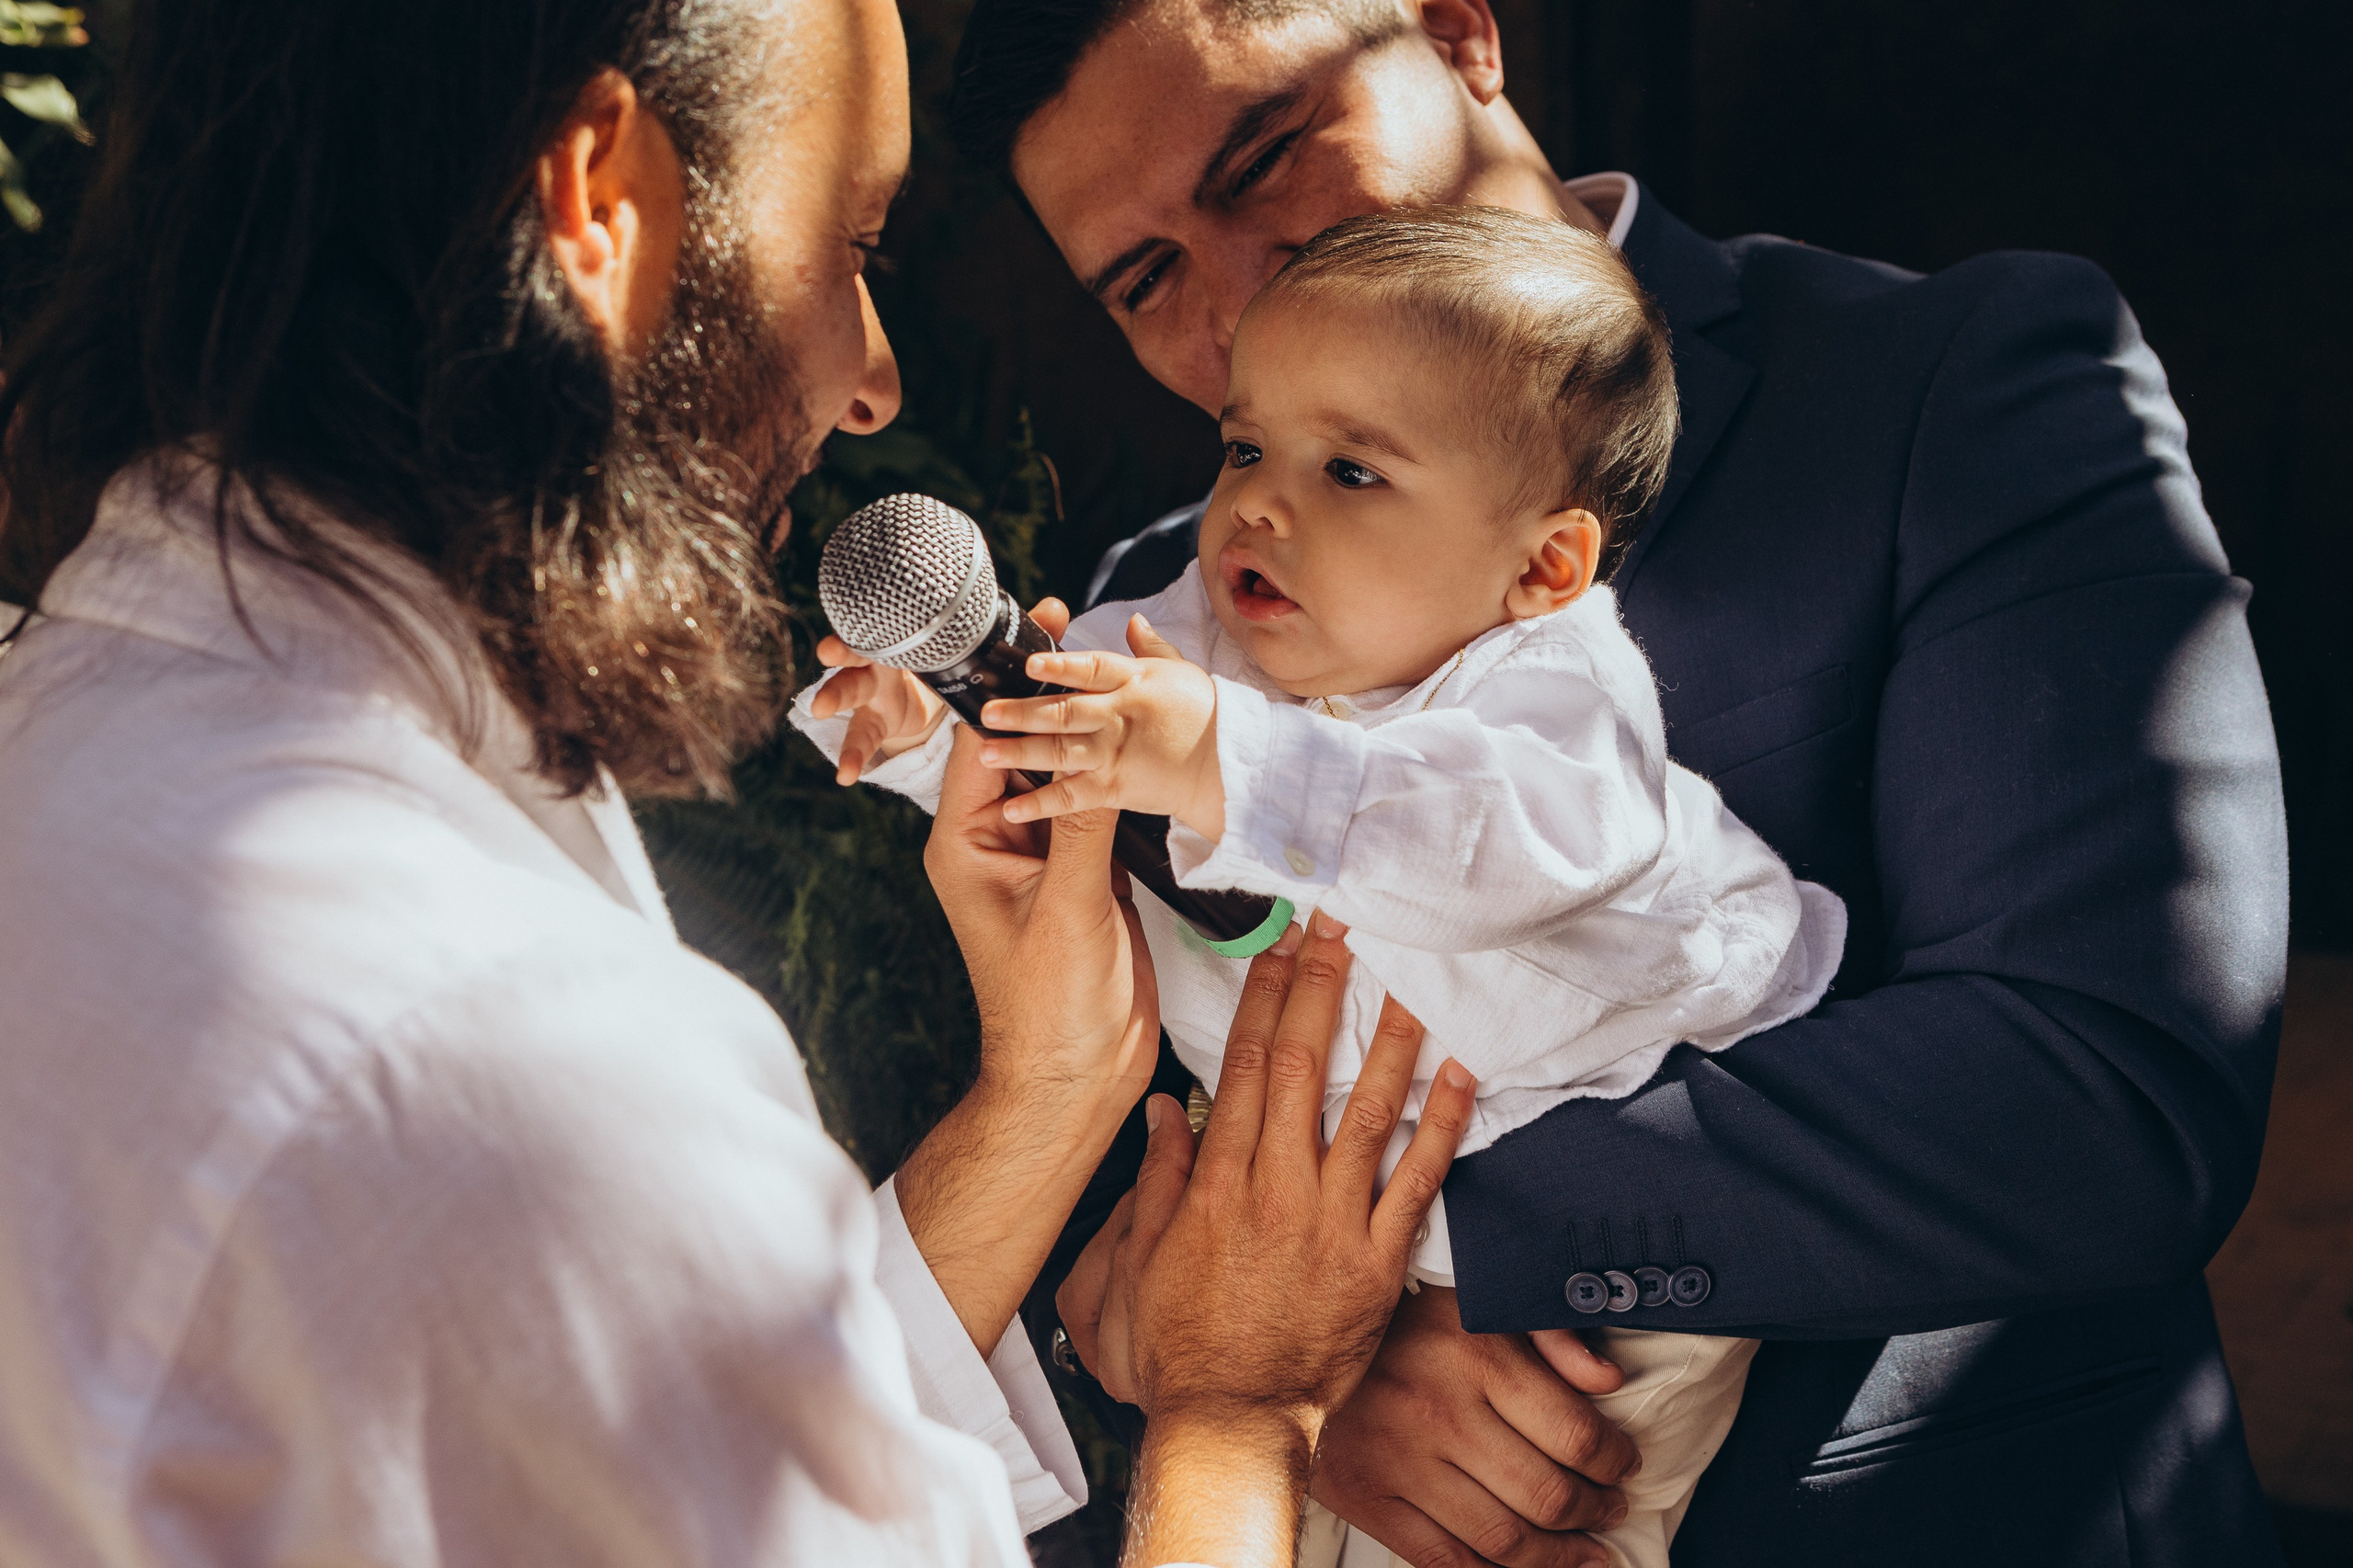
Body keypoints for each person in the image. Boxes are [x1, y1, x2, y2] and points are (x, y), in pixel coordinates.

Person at [0, 0, 1476, 1563]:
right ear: (599, 200)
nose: (871, 381)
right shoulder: (505, 1054)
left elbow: (601, 1461)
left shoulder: (71, 752)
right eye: (852, 249)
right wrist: (1240, 1402)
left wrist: (1051, 1093)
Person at [945, 1, 2293, 1563]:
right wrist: (1225, 1359)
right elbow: (1107, 1208)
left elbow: (2111, 1086)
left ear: (1458, 36)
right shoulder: (1149, 620)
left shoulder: (1955, 380)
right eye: (1147, 275)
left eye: (1264, 158)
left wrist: (1397, 1273)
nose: (1248, 292)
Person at [799, 204, 1847, 1567]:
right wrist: (936, 727)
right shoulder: (1197, 634)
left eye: (1351, 470)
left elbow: (1487, 848)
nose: (1259, 500)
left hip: (1576, 1290)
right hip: (1302, 1247)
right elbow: (1062, 747)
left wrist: (1228, 766)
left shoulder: (1553, 705)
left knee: (1552, 1523)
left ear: (1543, 565)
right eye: (1244, 445)